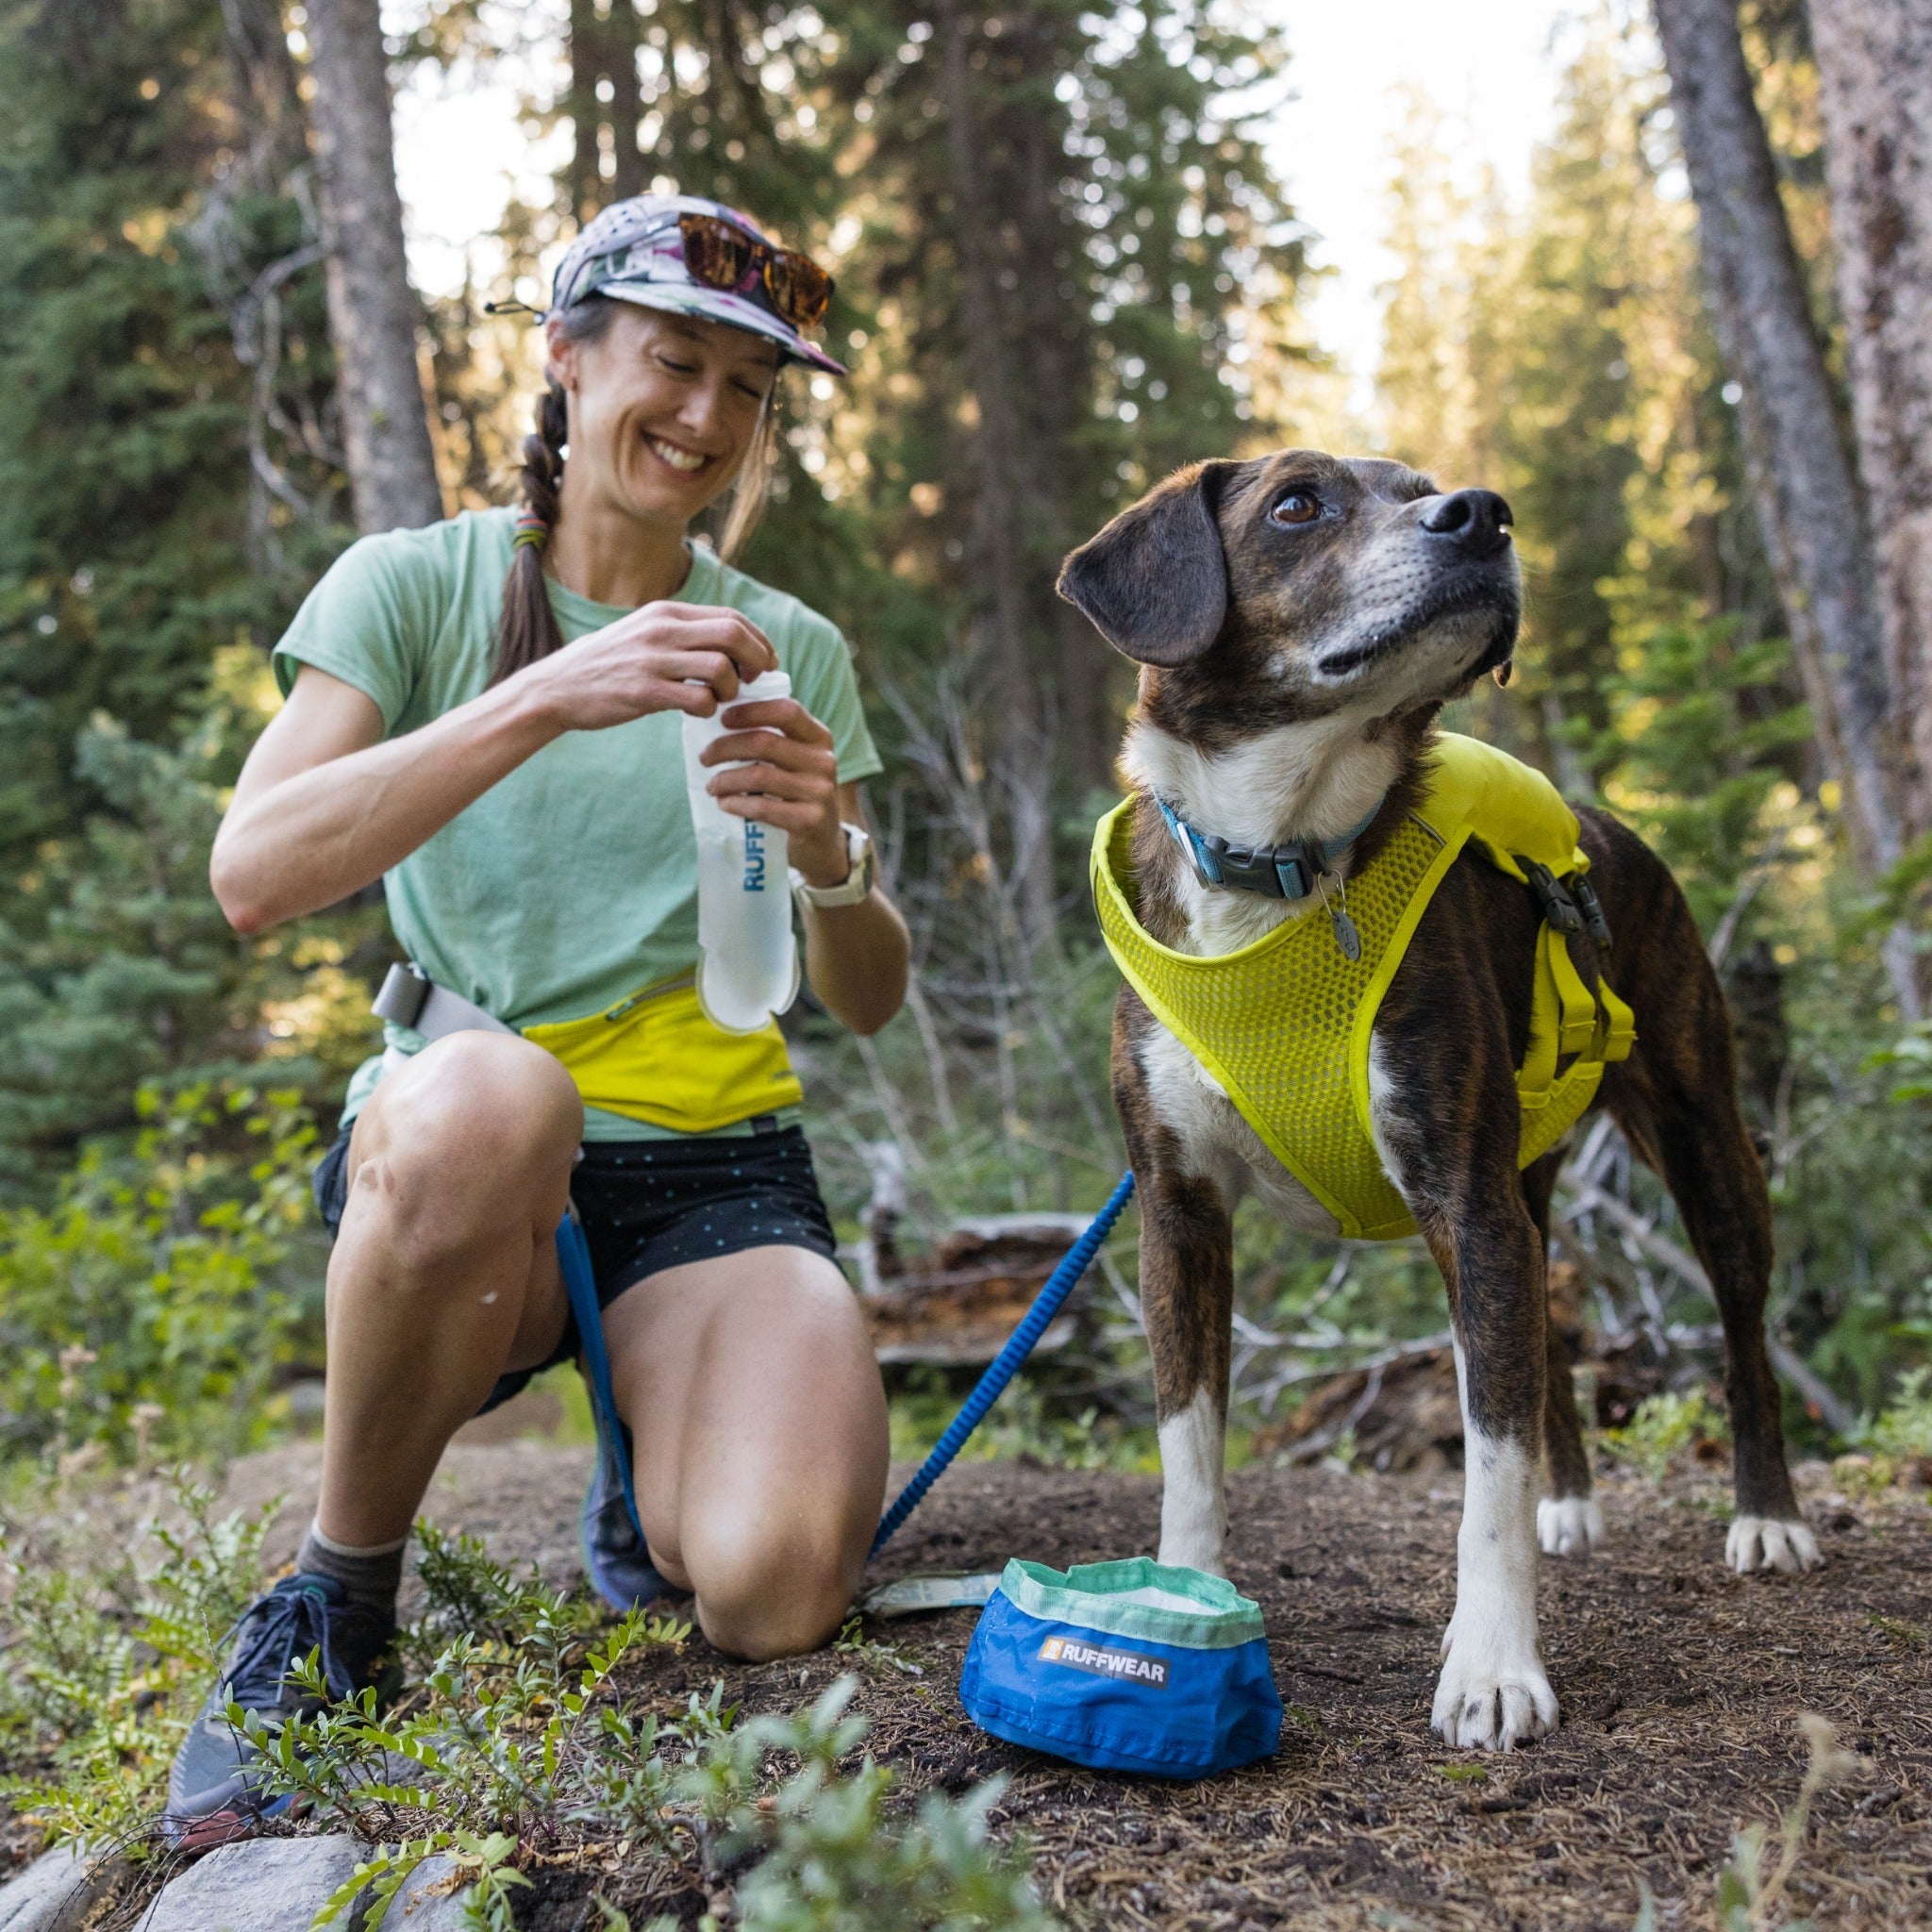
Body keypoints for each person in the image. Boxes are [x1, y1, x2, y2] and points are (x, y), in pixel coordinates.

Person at [166, 195, 908, 1842]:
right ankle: (338, 1612)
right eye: (671, 362)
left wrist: (831, 856)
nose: (706, 418)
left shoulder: (786, 648)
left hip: (714, 1163)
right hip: (477, 1159)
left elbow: (863, 995)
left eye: (748, 390)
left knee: (777, 1592)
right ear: (568, 359)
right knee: (499, 1097)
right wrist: (541, 694)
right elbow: (252, 871)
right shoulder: (415, 589)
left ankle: (655, 1473)